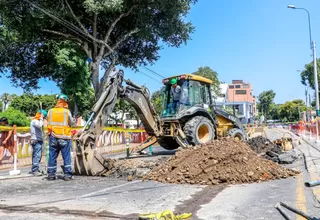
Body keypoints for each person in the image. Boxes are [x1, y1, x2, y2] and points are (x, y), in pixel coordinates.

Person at [47, 94, 74, 181]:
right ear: (64, 102)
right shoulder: (66, 111)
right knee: (66, 157)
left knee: (52, 156)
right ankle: (67, 175)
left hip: (53, 137)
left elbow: (48, 122)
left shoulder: (50, 111)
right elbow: (71, 123)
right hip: (64, 137)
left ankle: (51, 175)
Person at [29, 109, 47, 176]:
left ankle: (35, 169)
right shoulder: (35, 121)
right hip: (36, 140)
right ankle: (35, 170)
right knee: (37, 155)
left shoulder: (38, 121)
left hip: (39, 140)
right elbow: (39, 125)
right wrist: (42, 118)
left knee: (37, 156)